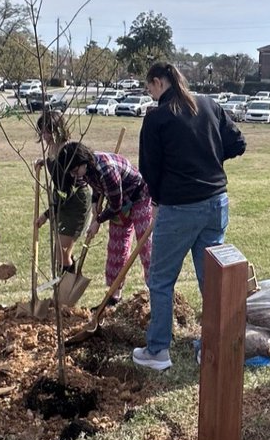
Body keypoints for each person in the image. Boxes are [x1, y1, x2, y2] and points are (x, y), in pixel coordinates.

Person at [134, 61, 247, 370]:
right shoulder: (210, 105)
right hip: (215, 203)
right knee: (211, 278)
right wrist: (207, 158)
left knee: (160, 279)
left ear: (158, 82)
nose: (150, 93)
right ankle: (213, 344)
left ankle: (158, 351)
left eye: (149, 87)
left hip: (179, 207)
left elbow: (148, 168)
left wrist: (158, 197)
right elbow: (238, 143)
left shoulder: (157, 117)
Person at [57, 141, 153, 309]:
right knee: (116, 247)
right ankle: (114, 296)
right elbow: (98, 188)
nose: (73, 175)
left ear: (83, 162)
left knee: (145, 246)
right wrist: (95, 204)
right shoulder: (85, 170)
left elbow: (115, 206)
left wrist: (98, 221)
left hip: (139, 197)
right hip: (119, 201)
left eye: (74, 170)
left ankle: (155, 292)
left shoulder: (106, 170)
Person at [33, 110, 92, 273]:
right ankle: (60, 290)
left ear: (58, 129)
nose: (45, 135)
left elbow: (65, 192)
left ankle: (65, 292)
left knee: (63, 252)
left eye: (48, 131)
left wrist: (46, 215)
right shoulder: (52, 148)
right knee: (60, 250)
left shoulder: (66, 151)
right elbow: (56, 171)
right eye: (42, 131)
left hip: (74, 202)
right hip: (61, 200)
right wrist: (44, 162)